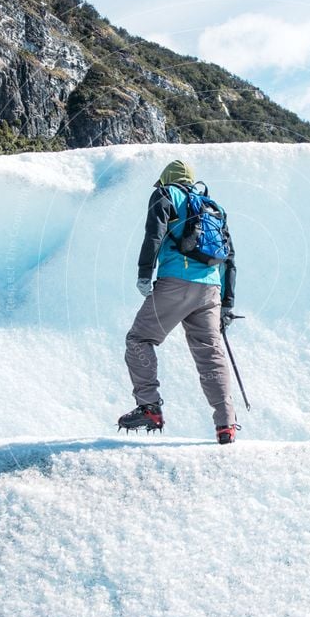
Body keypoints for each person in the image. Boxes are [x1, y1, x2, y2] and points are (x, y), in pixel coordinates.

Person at [118, 159, 240, 444]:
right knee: (210, 354)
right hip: (211, 289)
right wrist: (227, 304)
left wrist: (144, 274)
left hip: (176, 282)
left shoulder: (166, 194)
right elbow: (230, 259)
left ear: (166, 179)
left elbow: (154, 234)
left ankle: (149, 407)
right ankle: (226, 424)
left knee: (138, 339)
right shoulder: (214, 208)